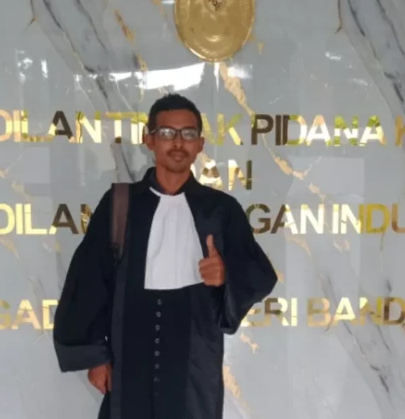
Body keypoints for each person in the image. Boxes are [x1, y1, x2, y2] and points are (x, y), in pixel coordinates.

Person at [52, 93, 278, 419]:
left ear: (200, 144)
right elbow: (89, 279)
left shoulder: (221, 209)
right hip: (130, 342)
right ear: (150, 140)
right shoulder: (120, 203)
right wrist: (96, 356)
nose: (178, 142)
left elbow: (259, 275)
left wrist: (226, 276)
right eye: (167, 133)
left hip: (195, 348)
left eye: (188, 133)